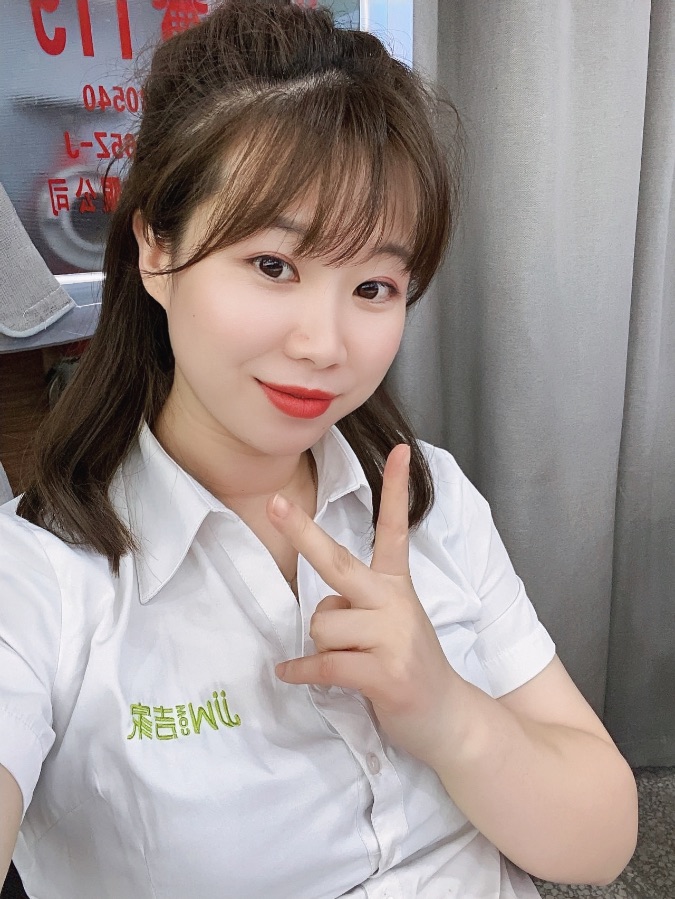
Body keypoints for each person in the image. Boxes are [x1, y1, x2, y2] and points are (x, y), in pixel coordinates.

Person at [0, 2, 638, 897]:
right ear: (154, 249)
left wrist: (448, 714)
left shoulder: (429, 499)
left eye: (373, 286)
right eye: (273, 266)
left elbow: (604, 841)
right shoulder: (39, 578)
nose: (324, 344)